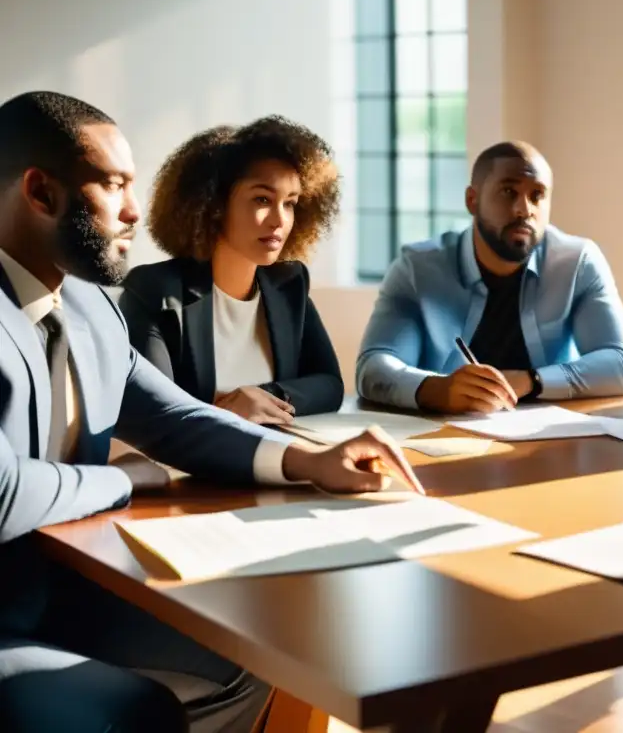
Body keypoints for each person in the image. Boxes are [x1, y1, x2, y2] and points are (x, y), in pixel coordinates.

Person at [0, 92, 419, 732]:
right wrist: (123, 480)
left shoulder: (88, 309)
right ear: (39, 192)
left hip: (63, 590)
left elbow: (176, 420)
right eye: (113, 186)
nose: (134, 212)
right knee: (138, 712)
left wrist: (311, 460)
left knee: (255, 655)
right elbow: (4, 494)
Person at [356, 140, 623, 414]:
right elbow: (373, 368)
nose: (524, 209)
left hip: (548, 438)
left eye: (537, 195)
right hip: (443, 437)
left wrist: (530, 381)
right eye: (508, 192)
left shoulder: (577, 263)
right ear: (472, 200)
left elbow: (620, 365)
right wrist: (436, 390)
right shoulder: (417, 269)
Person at [118, 117, 343, 425]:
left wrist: (262, 396)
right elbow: (152, 414)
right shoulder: (155, 290)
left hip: (281, 456)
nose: (280, 219)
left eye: (290, 203)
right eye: (262, 199)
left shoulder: (288, 282)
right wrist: (225, 412)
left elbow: (330, 385)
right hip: (193, 468)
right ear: (214, 205)